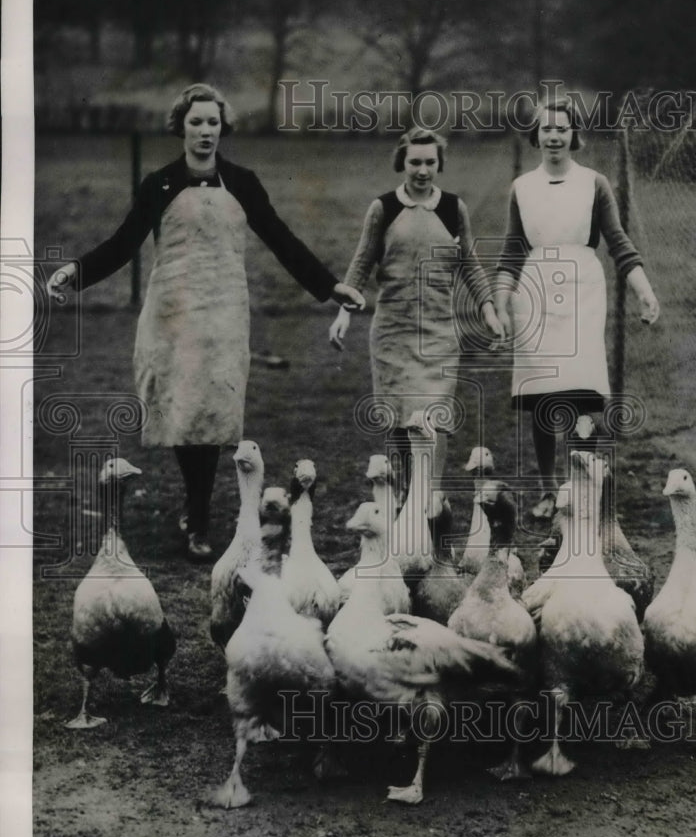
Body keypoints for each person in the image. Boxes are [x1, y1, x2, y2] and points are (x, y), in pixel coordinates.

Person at [47, 83, 364, 560]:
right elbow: (123, 244)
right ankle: (195, 508)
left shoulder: (243, 182)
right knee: (182, 409)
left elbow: (281, 238)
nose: (205, 131)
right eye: (196, 122)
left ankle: (196, 515)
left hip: (223, 311)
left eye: (213, 122)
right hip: (173, 311)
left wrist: (328, 285)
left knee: (213, 411)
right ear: (181, 127)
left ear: (222, 127)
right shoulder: (160, 184)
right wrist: (76, 272)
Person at [493, 97, 660, 520]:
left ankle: (583, 489)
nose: (554, 136)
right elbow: (511, 255)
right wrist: (498, 308)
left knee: (581, 392)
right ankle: (549, 491)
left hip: (583, 288)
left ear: (573, 135)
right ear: (536, 135)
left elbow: (619, 245)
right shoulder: (521, 188)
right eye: (546, 129)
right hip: (534, 295)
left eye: (562, 129)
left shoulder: (594, 183)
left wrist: (644, 292)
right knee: (543, 395)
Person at [329, 126, 504, 493]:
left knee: (434, 418)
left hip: (439, 333)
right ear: (402, 163)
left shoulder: (453, 208)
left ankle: (429, 502)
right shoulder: (383, 208)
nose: (422, 170)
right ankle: (398, 498)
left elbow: (469, 263)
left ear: (439, 164)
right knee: (396, 419)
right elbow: (361, 263)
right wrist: (344, 313)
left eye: (430, 162)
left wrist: (488, 308)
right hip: (392, 331)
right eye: (415, 162)